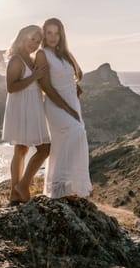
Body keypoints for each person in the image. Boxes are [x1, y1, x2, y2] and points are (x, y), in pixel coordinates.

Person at [35, 18, 92, 199]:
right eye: (49, 33)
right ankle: (57, 190)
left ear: (62, 35)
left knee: (68, 142)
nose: (53, 37)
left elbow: (79, 73)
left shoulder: (65, 54)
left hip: (72, 103)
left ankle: (68, 189)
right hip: (55, 105)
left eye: (56, 33)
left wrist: (73, 86)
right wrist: (66, 107)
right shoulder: (42, 54)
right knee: (75, 132)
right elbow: (45, 86)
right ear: (44, 34)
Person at [2, 25, 50, 205]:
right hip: (22, 107)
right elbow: (11, 87)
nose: (35, 44)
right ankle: (22, 186)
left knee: (22, 149)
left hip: (33, 107)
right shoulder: (16, 60)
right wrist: (34, 76)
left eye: (38, 42)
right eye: (32, 39)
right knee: (43, 148)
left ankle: (15, 195)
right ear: (23, 37)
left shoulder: (31, 59)